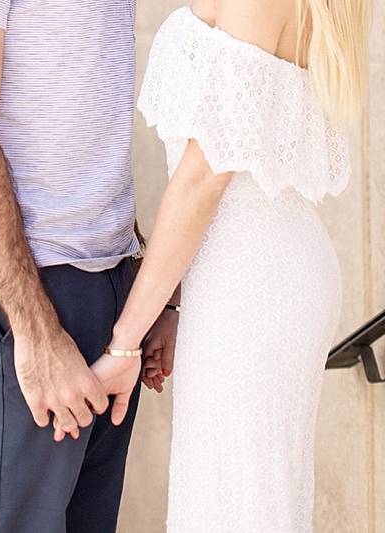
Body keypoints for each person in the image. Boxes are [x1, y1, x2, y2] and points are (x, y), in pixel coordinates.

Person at [54, 0, 370, 531]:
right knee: (239, 498)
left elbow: (204, 177)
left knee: (242, 505)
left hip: (255, 284)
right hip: (240, 274)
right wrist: (173, 299)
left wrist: (124, 342)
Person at [0, 1, 178, 532]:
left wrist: (149, 284)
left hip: (110, 283)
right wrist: (34, 329)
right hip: (23, 291)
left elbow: (85, 122)